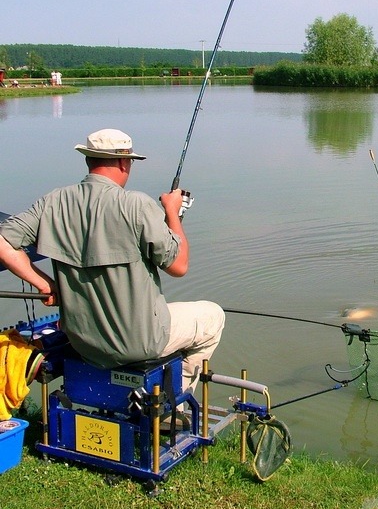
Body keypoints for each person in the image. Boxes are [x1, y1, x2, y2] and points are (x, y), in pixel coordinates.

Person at [0, 128, 224, 394]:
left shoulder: (52, 202)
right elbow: (179, 266)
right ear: (123, 162)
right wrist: (172, 212)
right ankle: (175, 399)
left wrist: (45, 283)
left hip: (83, 343)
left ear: (88, 160)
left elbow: (4, 242)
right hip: (140, 342)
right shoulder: (136, 205)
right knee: (212, 316)